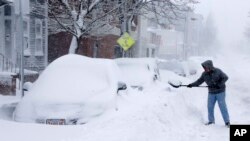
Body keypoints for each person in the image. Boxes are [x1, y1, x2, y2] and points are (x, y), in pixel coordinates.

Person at [187, 60, 230, 127]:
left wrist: (219, 84)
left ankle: (227, 122)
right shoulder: (204, 74)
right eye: (204, 68)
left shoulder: (218, 71)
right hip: (211, 92)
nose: (205, 69)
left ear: (210, 66)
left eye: (206, 67)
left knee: (222, 106)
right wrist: (191, 85)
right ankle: (211, 121)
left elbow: (225, 77)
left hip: (220, 92)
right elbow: (199, 81)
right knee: (210, 107)